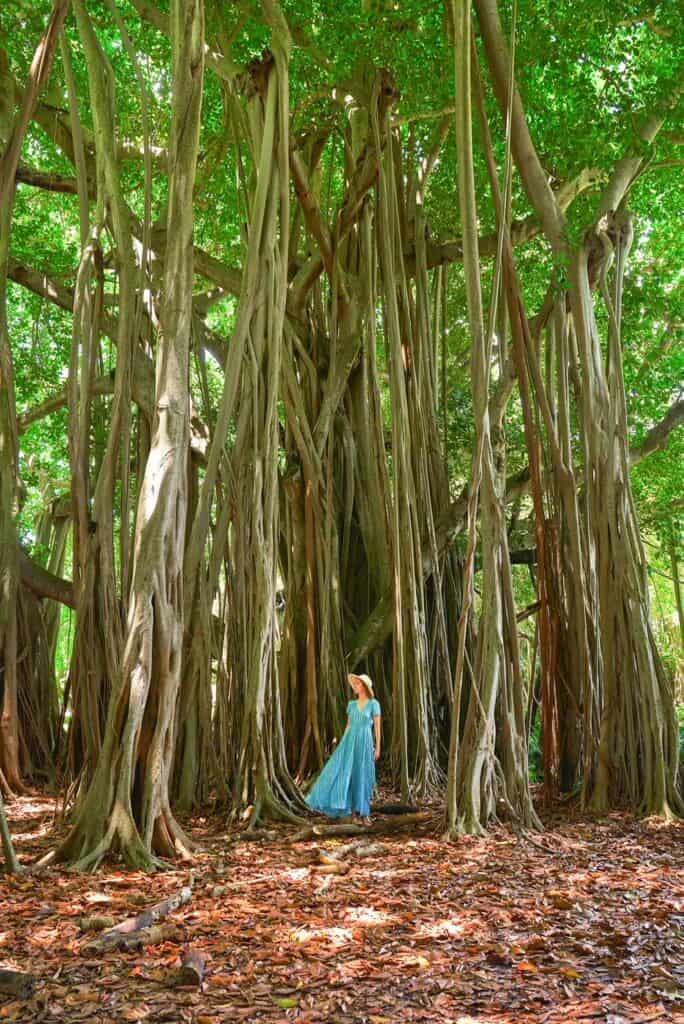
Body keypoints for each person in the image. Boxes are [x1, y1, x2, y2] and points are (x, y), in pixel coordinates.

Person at [305, 673, 381, 823]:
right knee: (348, 775)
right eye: (355, 684)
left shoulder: (374, 704)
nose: (355, 687)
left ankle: (364, 813)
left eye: (358, 684)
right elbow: (348, 725)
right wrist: (342, 744)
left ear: (365, 687)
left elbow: (377, 728)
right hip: (349, 742)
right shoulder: (351, 705)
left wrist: (377, 747)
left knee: (363, 775)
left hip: (365, 742)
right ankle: (353, 813)